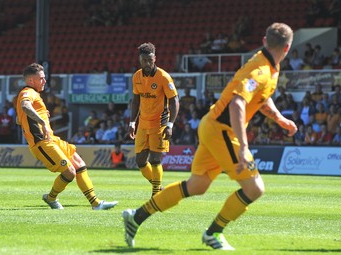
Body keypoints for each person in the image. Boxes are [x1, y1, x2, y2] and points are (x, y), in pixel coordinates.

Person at [122, 23, 297, 250]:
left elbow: (261, 96)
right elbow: (237, 104)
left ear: (265, 41)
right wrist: (243, 146)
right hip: (222, 130)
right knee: (254, 188)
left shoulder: (267, 66)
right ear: (287, 48)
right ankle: (213, 233)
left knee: (197, 185)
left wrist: (280, 119)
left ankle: (136, 217)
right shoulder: (261, 69)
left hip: (212, 125)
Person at [16, 63, 118, 210]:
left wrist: (29, 119)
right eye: (42, 78)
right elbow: (26, 106)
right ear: (31, 81)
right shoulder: (28, 92)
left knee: (79, 164)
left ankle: (96, 204)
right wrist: (41, 122)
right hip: (42, 143)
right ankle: (51, 198)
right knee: (69, 172)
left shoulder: (34, 94)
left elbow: (19, 118)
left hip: (51, 139)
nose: (45, 81)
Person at [129, 42, 180, 197]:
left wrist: (170, 124)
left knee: (155, 160)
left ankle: (156, 193)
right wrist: (132, 122)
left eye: (150, 60)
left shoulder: (164, 77)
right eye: (144, 60)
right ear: (140, 60)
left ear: (155, 58)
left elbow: (174, 101)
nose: (147, 63)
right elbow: (136, 100)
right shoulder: (137, 76)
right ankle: (158, 186)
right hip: (143, 124)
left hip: (160, 123)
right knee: (140, 161)